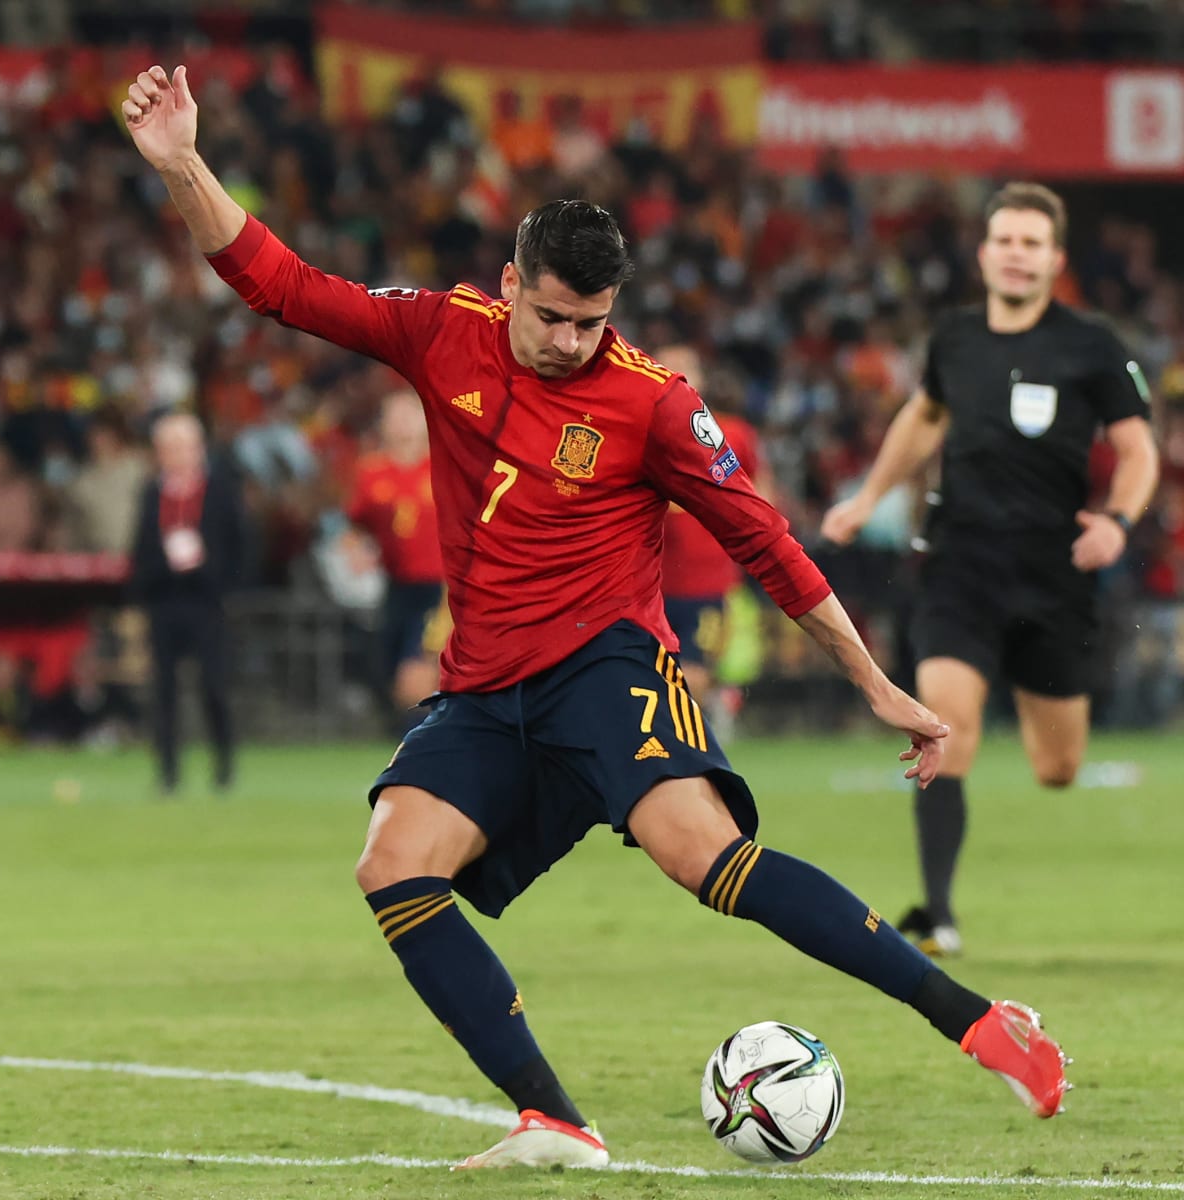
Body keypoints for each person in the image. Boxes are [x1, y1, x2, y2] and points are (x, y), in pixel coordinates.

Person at [123, 67, 1070, 1169]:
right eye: (553, 317)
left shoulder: (653, 403)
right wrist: (183, 164)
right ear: (510, 284)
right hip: (486, 688)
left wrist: (874, 682)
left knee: (705, 858)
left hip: (607, 668)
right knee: (392, 862)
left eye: (592, 323)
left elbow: (765, 539)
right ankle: (555, 1121)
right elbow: (281, 284)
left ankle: (979, 1023)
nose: (572, 342)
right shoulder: (441, 331)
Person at [821, 182, 1160, 957]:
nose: (1016, 254)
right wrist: (867, 497)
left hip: (1053, 575)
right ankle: (937, 916)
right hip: (960, 563)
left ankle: (948, 900)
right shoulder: (955, 338)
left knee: (1058, 766)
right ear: (984, 253)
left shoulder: (1092, 344)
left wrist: (1116, 522)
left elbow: (1138, 449)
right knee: (947, 722)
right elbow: (924, 416)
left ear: (1055, 259)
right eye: (1004, 239)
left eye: (1031, 243)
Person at [655, 344, 770, 735]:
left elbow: (760, 495)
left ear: (701, 378)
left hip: (706, 580)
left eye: (685, 368)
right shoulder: (636, 431)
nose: (675, 375)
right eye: (667, 366)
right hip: (647, 582)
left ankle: (683, 737)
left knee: (695, 667)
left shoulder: (730, 433)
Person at [129, 411, 245, 795]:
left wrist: (220, 579)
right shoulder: (151, 492)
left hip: (206, 602)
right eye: (169, 448)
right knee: (163, 690)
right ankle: (168, 771)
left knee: (214, 685)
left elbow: (239, 542)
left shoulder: (220, 490)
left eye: (183, 447)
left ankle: (224, 765)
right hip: (164, 600)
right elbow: (141, 546)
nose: (177, 455)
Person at [345, 387, 447, 728]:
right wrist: (357, 552)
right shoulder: (372, 472)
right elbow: (355, 527)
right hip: (396, 586)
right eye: (395, 415)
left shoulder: (444, 466)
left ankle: (418, 746)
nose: (402, 423)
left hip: (438, 588)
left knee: (414, 674)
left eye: (409, 414)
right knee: (388, 669)